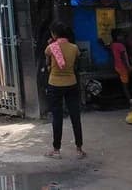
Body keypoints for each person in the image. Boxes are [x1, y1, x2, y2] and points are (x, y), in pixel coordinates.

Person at [43, 21, 86, 160]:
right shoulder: (74, 48)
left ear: (54, 34)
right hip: (71, 83)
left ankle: (56, 150)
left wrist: (51, 44)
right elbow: (76, 64)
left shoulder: (50, 48)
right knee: (75, 116)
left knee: (57, 117)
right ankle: (79, 149)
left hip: (55, 84)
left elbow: (48, 64)